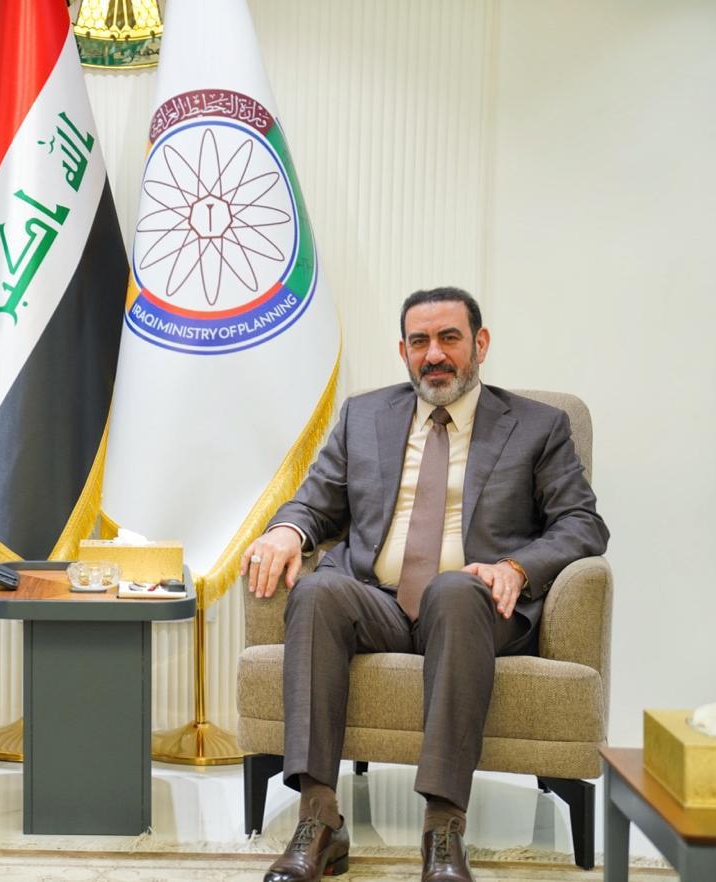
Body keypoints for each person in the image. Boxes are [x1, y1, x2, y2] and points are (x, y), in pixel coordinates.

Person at [241, 287, 609, 882]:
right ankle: (319, 819)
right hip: (380, 602)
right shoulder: (364, 416)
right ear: (404, 351)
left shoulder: (538, 426)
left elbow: (582, 523)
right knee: (316, 591)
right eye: (419, 342)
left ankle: (443, 826)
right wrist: (287, 529)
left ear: (480, 344)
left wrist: (516, 568)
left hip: (477, 608)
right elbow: (315, 502)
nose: (433, 354)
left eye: (449, 338)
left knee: (454, 590)